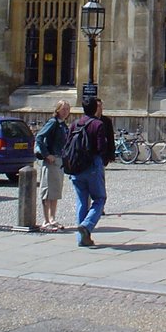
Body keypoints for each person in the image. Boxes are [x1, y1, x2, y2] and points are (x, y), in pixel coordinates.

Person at [70, 96, 108, 247]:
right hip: (92, 166)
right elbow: (100, 148)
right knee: (99, 199)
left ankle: (82, 239)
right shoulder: (98, 124)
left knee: (81, 202)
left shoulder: (74, 124)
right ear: (95, 108)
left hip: (76, 168)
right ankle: (87, 225)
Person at [35, 99, 71, 230]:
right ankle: (45, 220)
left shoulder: (63, 125)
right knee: (47, 191)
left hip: (59, 160)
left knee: (55, 191)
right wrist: (46, 154)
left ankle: (52, 218)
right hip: (51, 160)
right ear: (57, 110)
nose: (66, 112)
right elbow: (39, 137)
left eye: (67, 109)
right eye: (63, 109)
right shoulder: (53, 123)